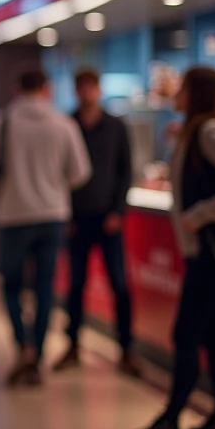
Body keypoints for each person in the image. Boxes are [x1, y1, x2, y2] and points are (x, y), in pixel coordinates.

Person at [131, 67, 215, 429]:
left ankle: (172, 418)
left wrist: (201, 214)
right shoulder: (195, 130)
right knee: (213, 335)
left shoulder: (210, 131)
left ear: (198, 93)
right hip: (208, 253)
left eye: (184, 86)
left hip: (214, 254)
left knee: (186, 333)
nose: (176, 91)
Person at [0, 70, 91, 387]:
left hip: (13, 216)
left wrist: (10, 188)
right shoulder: (63, 124)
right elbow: (80, 173)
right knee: (44, 287)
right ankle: (38, 353)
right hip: (52, 215)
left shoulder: (5, 123)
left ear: (17, 88)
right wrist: (54, 187)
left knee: (11, 285)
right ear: (47, 88)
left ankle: (22, 344)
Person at [54, 69, 141, 377]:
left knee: (119, 283)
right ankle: (72, 344)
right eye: (82, 88)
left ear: (98, 90)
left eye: (91, 87)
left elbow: (125, 171)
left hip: (109, 219)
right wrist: (65, 215)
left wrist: (118, 211)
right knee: (76, 284)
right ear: (76, 90)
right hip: (77, 220)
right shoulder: (67, 125)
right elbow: (59, 174)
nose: (87, 93)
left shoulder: (116, 126)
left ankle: (126, 349)